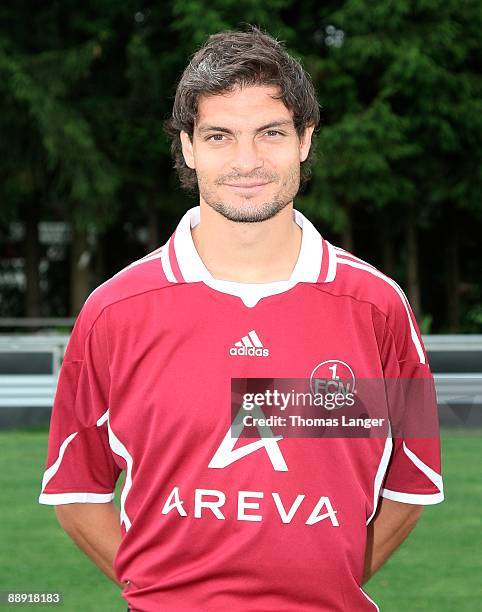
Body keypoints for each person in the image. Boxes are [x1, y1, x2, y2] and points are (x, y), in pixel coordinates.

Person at [39, 26, 444, 612]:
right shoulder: (113, 311)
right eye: (220, 136)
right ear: (187, 146)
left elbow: (410, 487)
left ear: (305, 140)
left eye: (271, 133)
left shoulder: (379, 306)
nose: (247, 161)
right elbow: (77, 492)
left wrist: (315, 590)